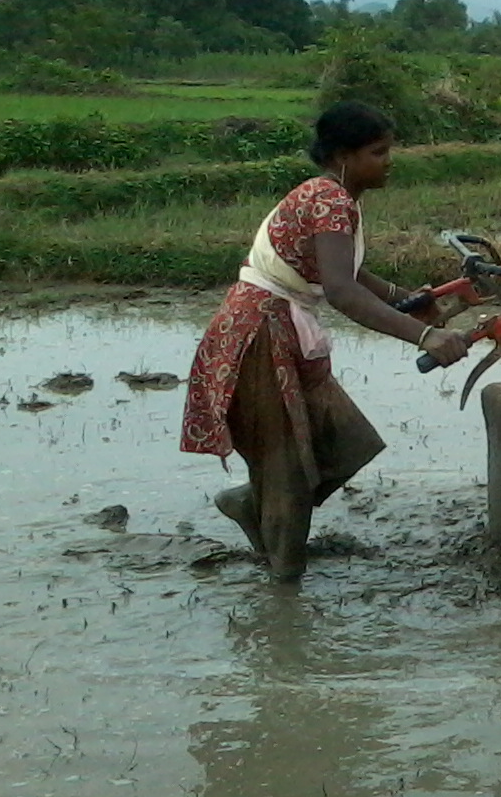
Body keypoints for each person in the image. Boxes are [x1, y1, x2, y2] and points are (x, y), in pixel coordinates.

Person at [181, 101, 472, 582]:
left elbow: (345, 271)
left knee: (343, 444)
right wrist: (424, 334)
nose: (387, 162)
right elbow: (340, 290)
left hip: (280, 325)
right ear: (344, 155)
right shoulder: (328, 199)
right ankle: (285, 601)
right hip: (262, 333)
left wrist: (406, 298)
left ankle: (251, 504)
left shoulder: (337, 197)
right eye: (378, 152)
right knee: (288, 469)